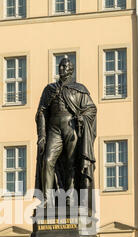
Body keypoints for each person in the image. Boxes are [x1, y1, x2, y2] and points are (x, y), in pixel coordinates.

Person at [35, 57, 97, 208]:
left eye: (65, 66)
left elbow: (91, 108)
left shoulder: (79, 89)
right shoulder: (49, 89)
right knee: (48, 160)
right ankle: (47, 199)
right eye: (60, 66)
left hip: (71, 126)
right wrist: (42, 135)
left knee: (71, 163)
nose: (61, 69)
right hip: (53, 127)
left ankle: (70, 197)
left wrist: (82, 118)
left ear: (71, 69)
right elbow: (42, 112)